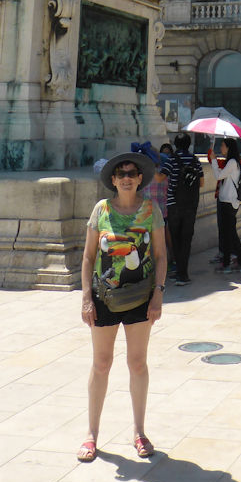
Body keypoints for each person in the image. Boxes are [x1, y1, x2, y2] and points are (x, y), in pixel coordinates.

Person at [78, 151, 167, 463]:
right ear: (113, 180)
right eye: (121, 173)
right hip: (104, 297)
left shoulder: (150, 210)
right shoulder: (100, 210)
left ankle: (139, 431)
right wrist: (86, 296)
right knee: (101, 363)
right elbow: (89, 257)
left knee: (138, 363)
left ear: (140, 178)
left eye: (132, 172)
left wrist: (158, 292)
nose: (127, 177)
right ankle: (91, 435)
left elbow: (159, 254)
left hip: (140, 297)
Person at [161, 132, 204, 286]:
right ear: (189, 144)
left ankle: (179, 272)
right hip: (190, 205)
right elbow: (202, 183)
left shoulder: (171, 159)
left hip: (174, 204)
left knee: (175, 238)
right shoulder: (195, 160)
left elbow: (160, 177)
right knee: (186, 239)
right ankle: (183, 273)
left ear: (175, 145)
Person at [207, 138, 241, 273]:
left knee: (229, 234)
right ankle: (237, 262)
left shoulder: (232, 163)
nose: (221, 148)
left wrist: (213, 160)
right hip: (228, 200)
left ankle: (228, 263)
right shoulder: (232, 162)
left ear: (229, 148)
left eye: (223, 145)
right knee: (230, 233)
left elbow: (218, 176)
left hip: (228, 201)